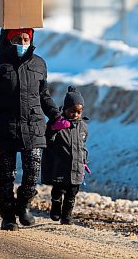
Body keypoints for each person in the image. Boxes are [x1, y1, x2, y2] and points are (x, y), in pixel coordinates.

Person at [0, 28, 61, 231]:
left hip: (34, 127)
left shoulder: (39, 64)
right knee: (7, 174)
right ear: (9, 40)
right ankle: (8, 215)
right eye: (18, 38)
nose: (23, 42)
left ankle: (24, 205)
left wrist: (55, 115)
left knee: (32, 172)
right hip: (5, 127)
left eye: (26, 38)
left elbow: (43, 95)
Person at [41, 86, 89, 225]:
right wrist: (54, 129)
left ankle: (67, 216)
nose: (75, 115)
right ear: (65, 109)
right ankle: (56, 207)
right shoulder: (56, 123)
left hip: (77, 168)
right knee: (58, 191)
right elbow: (47, 140)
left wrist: (84, 161)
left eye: (79, 112)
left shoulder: (83, 127)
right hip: (60, 167)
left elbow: (82, 146)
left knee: (72, 193)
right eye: (72, 111)